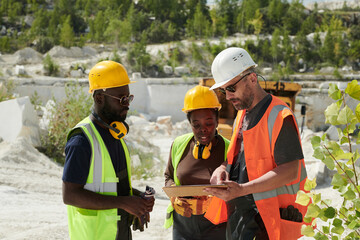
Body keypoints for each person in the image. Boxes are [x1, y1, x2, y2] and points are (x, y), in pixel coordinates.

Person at [204, 47, 309, 240]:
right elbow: (238, 161)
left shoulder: (279, 115)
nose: (227, 97)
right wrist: (222, 168)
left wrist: (243, 189)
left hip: (268, 223)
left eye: (231, 88)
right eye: (223, 90)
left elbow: (290, 170)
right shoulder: (241, 115)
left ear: (252, 79)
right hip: (241, 218)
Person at [62, 60, 155, 240]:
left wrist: (136, 201)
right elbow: (70, 195)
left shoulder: (115, 135)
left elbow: (111, 186)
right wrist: (124, 202)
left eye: (129, 98)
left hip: (119, 233)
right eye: (122, 99)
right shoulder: (81, 140)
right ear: (99, 98)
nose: (127, 104)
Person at [164, 85, 230, 240]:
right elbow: (168, 177)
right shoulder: (179, 145)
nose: (203, 129)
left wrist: (213, 200)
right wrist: (175, 198)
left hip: (218, 227)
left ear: (217, 120)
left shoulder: (230, 148)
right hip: (183, 227)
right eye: (196, 124)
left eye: (209, 123)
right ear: (189, 123)